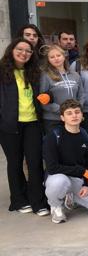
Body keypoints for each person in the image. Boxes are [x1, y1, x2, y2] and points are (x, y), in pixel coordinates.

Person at [0, 38, 48, 215]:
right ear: (12, 50)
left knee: (35, 162)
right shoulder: (2, 71)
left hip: (33, 123)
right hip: (9, 125)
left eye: (28, 51)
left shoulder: (34, 71)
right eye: (20, 49)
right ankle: (19, 200)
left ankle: (39, 201)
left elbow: (42, 93)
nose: (24, 53)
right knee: (14, 163)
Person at [43, 99, 88, 223]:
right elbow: (52, 167)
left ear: (82, 115)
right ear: (62, 118)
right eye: (69, 113)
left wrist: (87, 185)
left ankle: (72, 197)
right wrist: (81, 171)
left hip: (79, 178)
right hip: (60, 176)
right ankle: (56, 205)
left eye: (77, 112)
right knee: (58, 182)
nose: (74, 115)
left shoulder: (87, 135)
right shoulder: (53, 136)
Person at [39, 44, 84, 133]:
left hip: (73, 118)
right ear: (48, 60)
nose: (56, 58)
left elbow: (81, 95)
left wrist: (76, 111)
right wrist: (63, 110)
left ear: (64, 56)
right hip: (53, 120)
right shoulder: (45, 76)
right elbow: (42, 99)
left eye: (58, 55)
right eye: (52, 57)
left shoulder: (75, 75)